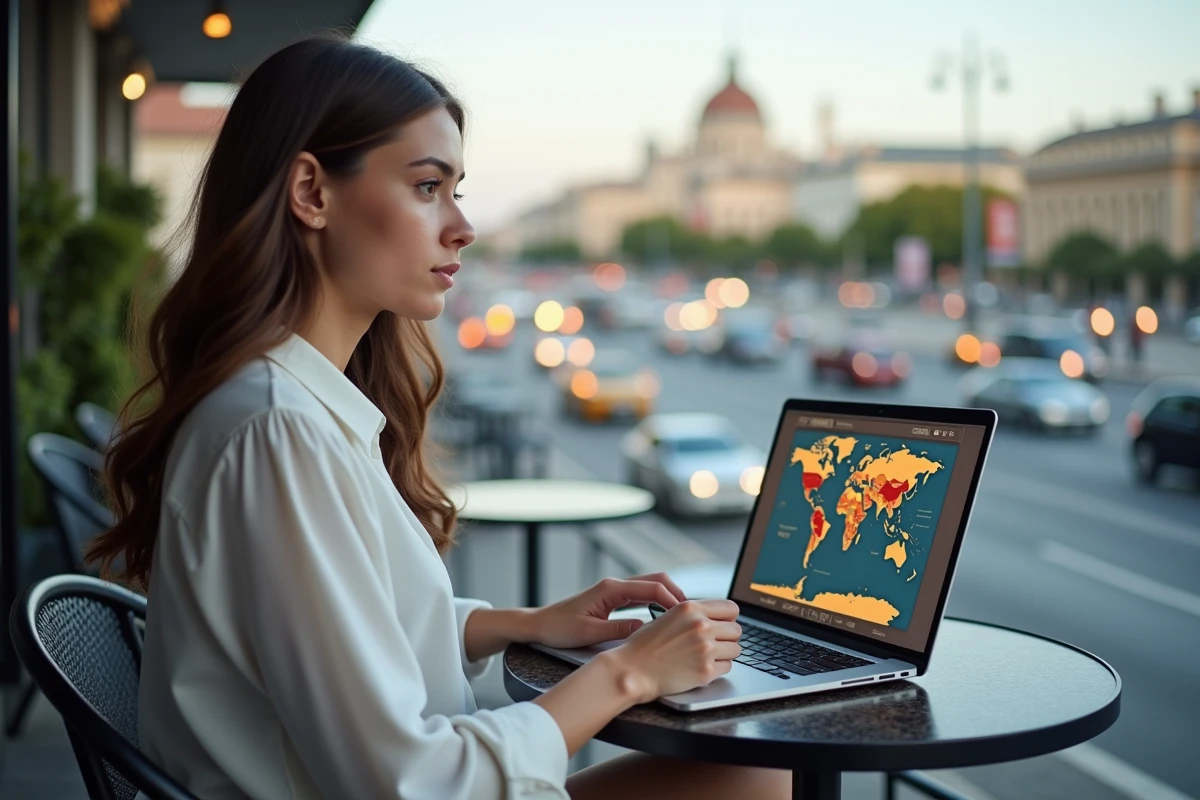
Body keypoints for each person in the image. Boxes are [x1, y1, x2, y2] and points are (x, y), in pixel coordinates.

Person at [87, 36, 790, 799]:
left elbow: (350, 629)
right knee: (754, 779)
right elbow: (402, 780)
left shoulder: (288, 406)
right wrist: (628, 673)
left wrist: (527, 623)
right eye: (428, 187)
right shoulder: (276, 430)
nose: (462, 226)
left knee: (752, 775)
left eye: (456, 189)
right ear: (312, 193)